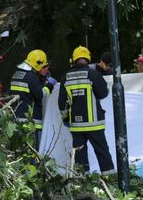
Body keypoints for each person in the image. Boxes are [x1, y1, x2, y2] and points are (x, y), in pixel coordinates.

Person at [59, 46, 114, 174]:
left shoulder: (65, 77)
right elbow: (103, 93)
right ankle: (110, 179)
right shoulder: (93, 74)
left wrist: (66, 119)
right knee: (102, 152)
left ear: (74, 59)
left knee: (79, 156)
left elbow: (62, 103)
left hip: (76, 125)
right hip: (94, 124)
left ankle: (82, 183)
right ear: (88, 58)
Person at [9, 49, 55, 149]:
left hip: (16, 119)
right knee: (32, 153)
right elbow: (41, 95)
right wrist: (50, 85)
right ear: (38, 65)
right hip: (31, 122)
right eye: (44, 66)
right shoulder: (32, 78)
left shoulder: (16, 75)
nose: (46, 69)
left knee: (19, 151)